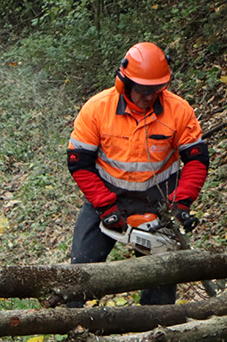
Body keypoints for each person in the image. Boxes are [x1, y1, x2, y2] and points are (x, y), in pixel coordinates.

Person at [66, 41, 208, 305]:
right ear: (125, 82)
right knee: (80, 272)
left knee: (162, 280)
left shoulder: (178, 111)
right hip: (106, 197)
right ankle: (76, 333)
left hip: (158, 201)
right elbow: (79, 163)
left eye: (156, 89)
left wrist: (182, 201)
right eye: (143, 89)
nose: (148, 96)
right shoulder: (97, 109)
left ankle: (155, 339)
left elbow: (197, 160)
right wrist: (105, 206)